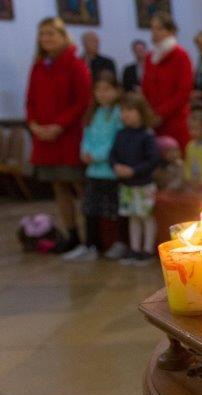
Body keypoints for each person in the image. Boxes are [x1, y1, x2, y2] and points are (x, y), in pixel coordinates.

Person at [26, 17, 92, 254]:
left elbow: (83, 101)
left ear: (63, 36)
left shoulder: (75, 63)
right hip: (45, 138)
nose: (46, 38)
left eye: (51, 33)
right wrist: (34, 125)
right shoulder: (38, 65)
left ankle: (92, 236)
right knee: (59, 186)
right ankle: (72, 234)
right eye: (42, 34)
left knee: (80, 186)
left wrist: (59, 125)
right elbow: (30, 99)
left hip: (68, 136)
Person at [63, 71, 124, 262]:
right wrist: (85, 153)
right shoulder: (93, 113)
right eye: (98, 89)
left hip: (111, 171)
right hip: (94, 171)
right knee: (90, 209)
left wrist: (97, 156)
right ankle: (91, 245)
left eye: (107, 89)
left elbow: (116, 140)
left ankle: (120, 243)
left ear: (116, 90)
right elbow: (87, 136)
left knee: (115, 210)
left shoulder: (118, 113)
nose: (102, 94)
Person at [110, 93, 160, 266]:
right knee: (133, 217)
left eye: (130, 110)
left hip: (144, 185)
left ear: (141, 112)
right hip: (127, 186)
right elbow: (113, 154)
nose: (125, 114)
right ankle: (135, 248)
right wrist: (116, 166)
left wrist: (134, 170)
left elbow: (153, 160)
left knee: (146, 217)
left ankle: (147, 250)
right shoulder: (121, 134)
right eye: (123, 110)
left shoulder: (147, 135)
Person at [142, 12, 193, 149]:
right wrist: (148, 112)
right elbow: (146, 87)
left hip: (175, 118)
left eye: (159, 28)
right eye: (152, 28)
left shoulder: (180, 55)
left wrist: (161, 113)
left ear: (171, 31)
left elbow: (183, 92)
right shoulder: (150, 57)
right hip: (153, 118)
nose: (154, 32)